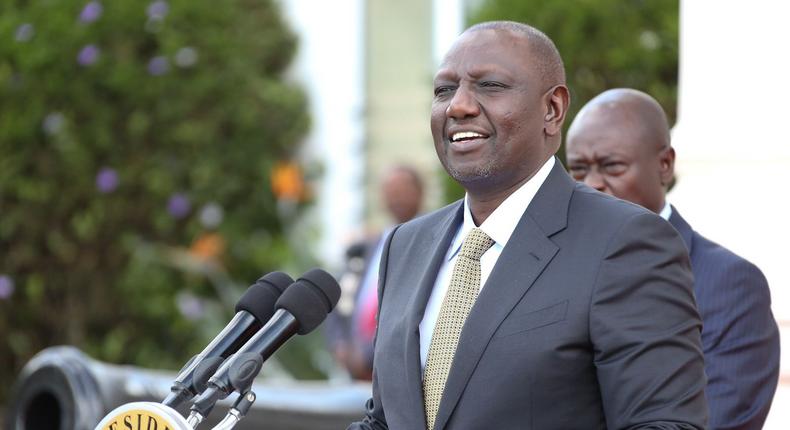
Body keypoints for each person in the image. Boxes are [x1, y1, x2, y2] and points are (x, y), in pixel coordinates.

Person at [348, 22, 707, 430]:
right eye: (444, 90)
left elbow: (662, 423)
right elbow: (384, 419)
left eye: (490, 85)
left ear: (552, 110)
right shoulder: (405, 246)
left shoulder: (624, 242)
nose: (458, 106)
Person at [565, 88, 780, 430]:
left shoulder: (730, 284)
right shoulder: (552, 269)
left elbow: (718, 419)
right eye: (578, 170)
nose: (591, 185)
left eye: (612, 167)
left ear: (665, 165)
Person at [329, 165, 424, 380]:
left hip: (403, 373)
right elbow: (341, 298)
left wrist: (367, 356)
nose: (397, 197)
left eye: (403, 190)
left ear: (419, 193)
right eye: (391, 191)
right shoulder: (368, 247)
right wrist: (341, 346)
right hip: (356, 376)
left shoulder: (432, 244)